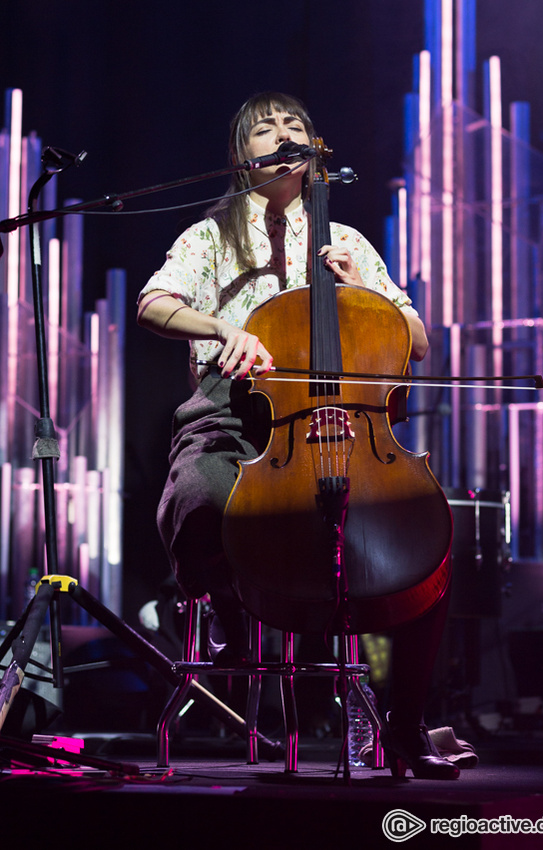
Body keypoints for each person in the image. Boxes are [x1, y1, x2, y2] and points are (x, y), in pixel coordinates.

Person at [137, 92, 459, 780]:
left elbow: (420, 344)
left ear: (314, 149)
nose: (283, 134)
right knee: (197, 493)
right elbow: (154, 303)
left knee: (424, 540)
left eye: (295, 126)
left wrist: (364, 296)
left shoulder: (347, 242)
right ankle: (229, 607)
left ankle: (403, 724)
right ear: (239, 157)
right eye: (265, 127)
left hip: (345, 419)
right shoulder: (211, 236)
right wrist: (225, 328)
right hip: (235, 411)